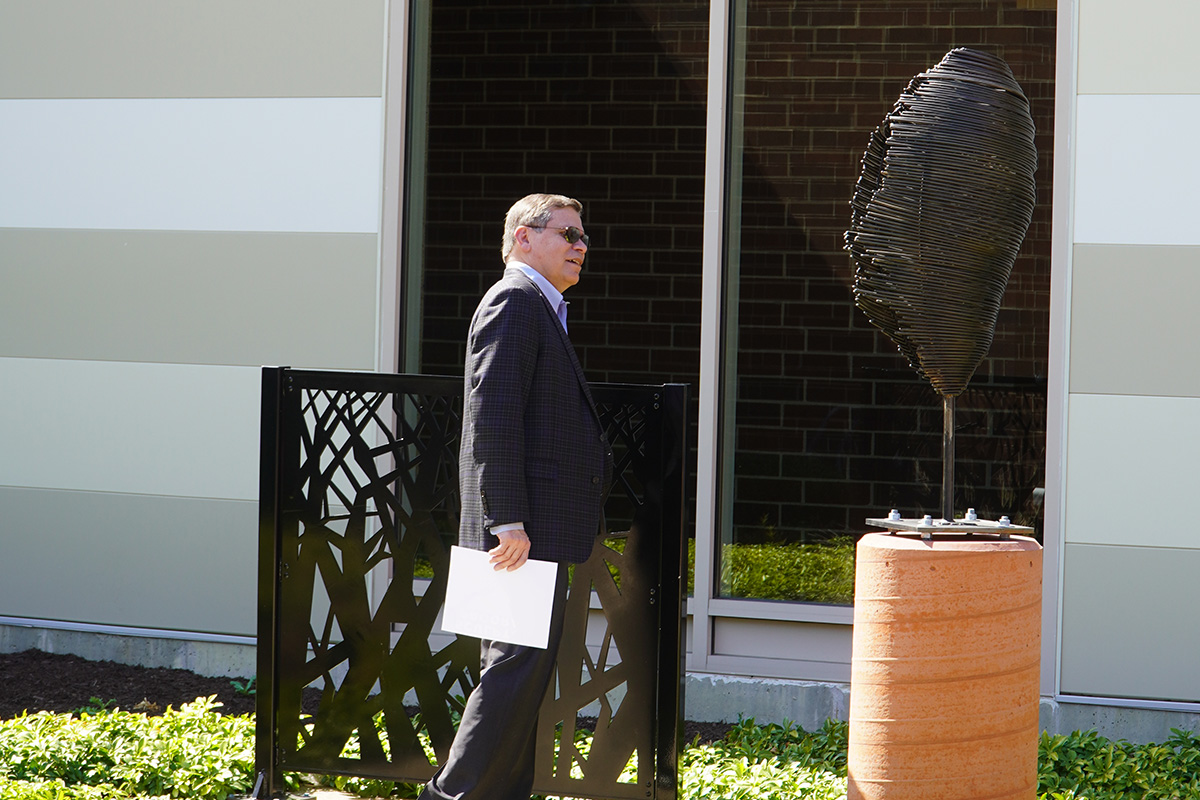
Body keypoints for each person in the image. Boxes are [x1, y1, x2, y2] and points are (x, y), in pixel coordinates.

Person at [419, 193, 613, 800]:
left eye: (584, 237)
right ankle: (448, 796)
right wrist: (506, 519)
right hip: (516, 536)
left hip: (532, 531)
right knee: (511, 673)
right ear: (523, 239)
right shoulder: (514, 302)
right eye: (569, 234)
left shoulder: (541, 308)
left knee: (523, 677)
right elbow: (491, 417)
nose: (581, 246)